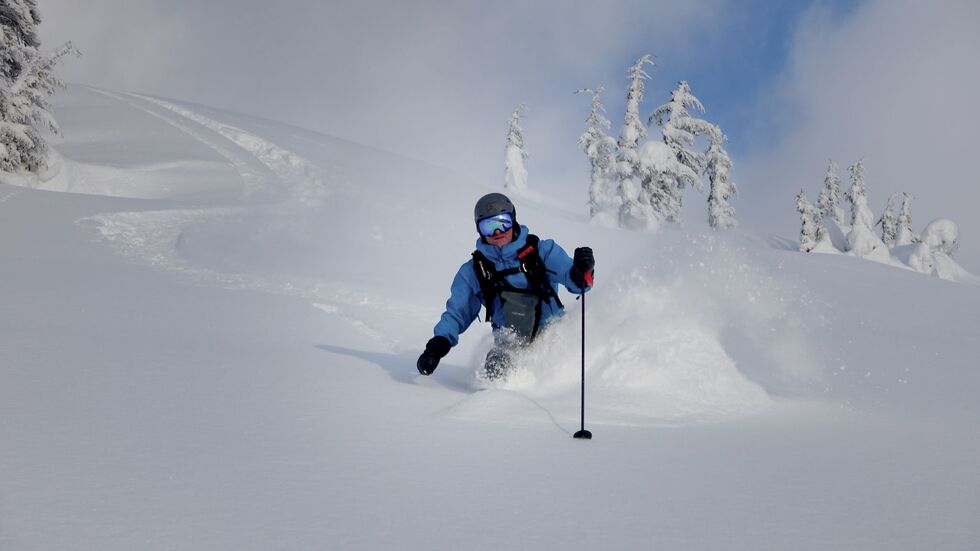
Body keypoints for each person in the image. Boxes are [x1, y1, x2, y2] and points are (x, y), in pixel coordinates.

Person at [416, 192, 595, 379]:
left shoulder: (541, 252)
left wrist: (582, 270)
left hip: (553, 335)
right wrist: (437, 346)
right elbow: (457, 313)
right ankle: (502, 405)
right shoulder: (475, 270)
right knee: (496, 370)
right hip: (510, 344)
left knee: (563, 372)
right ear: (479, 230)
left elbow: (579, 284)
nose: (497, 232)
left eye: (503, 222)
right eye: (488, 226)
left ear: (513, 220)